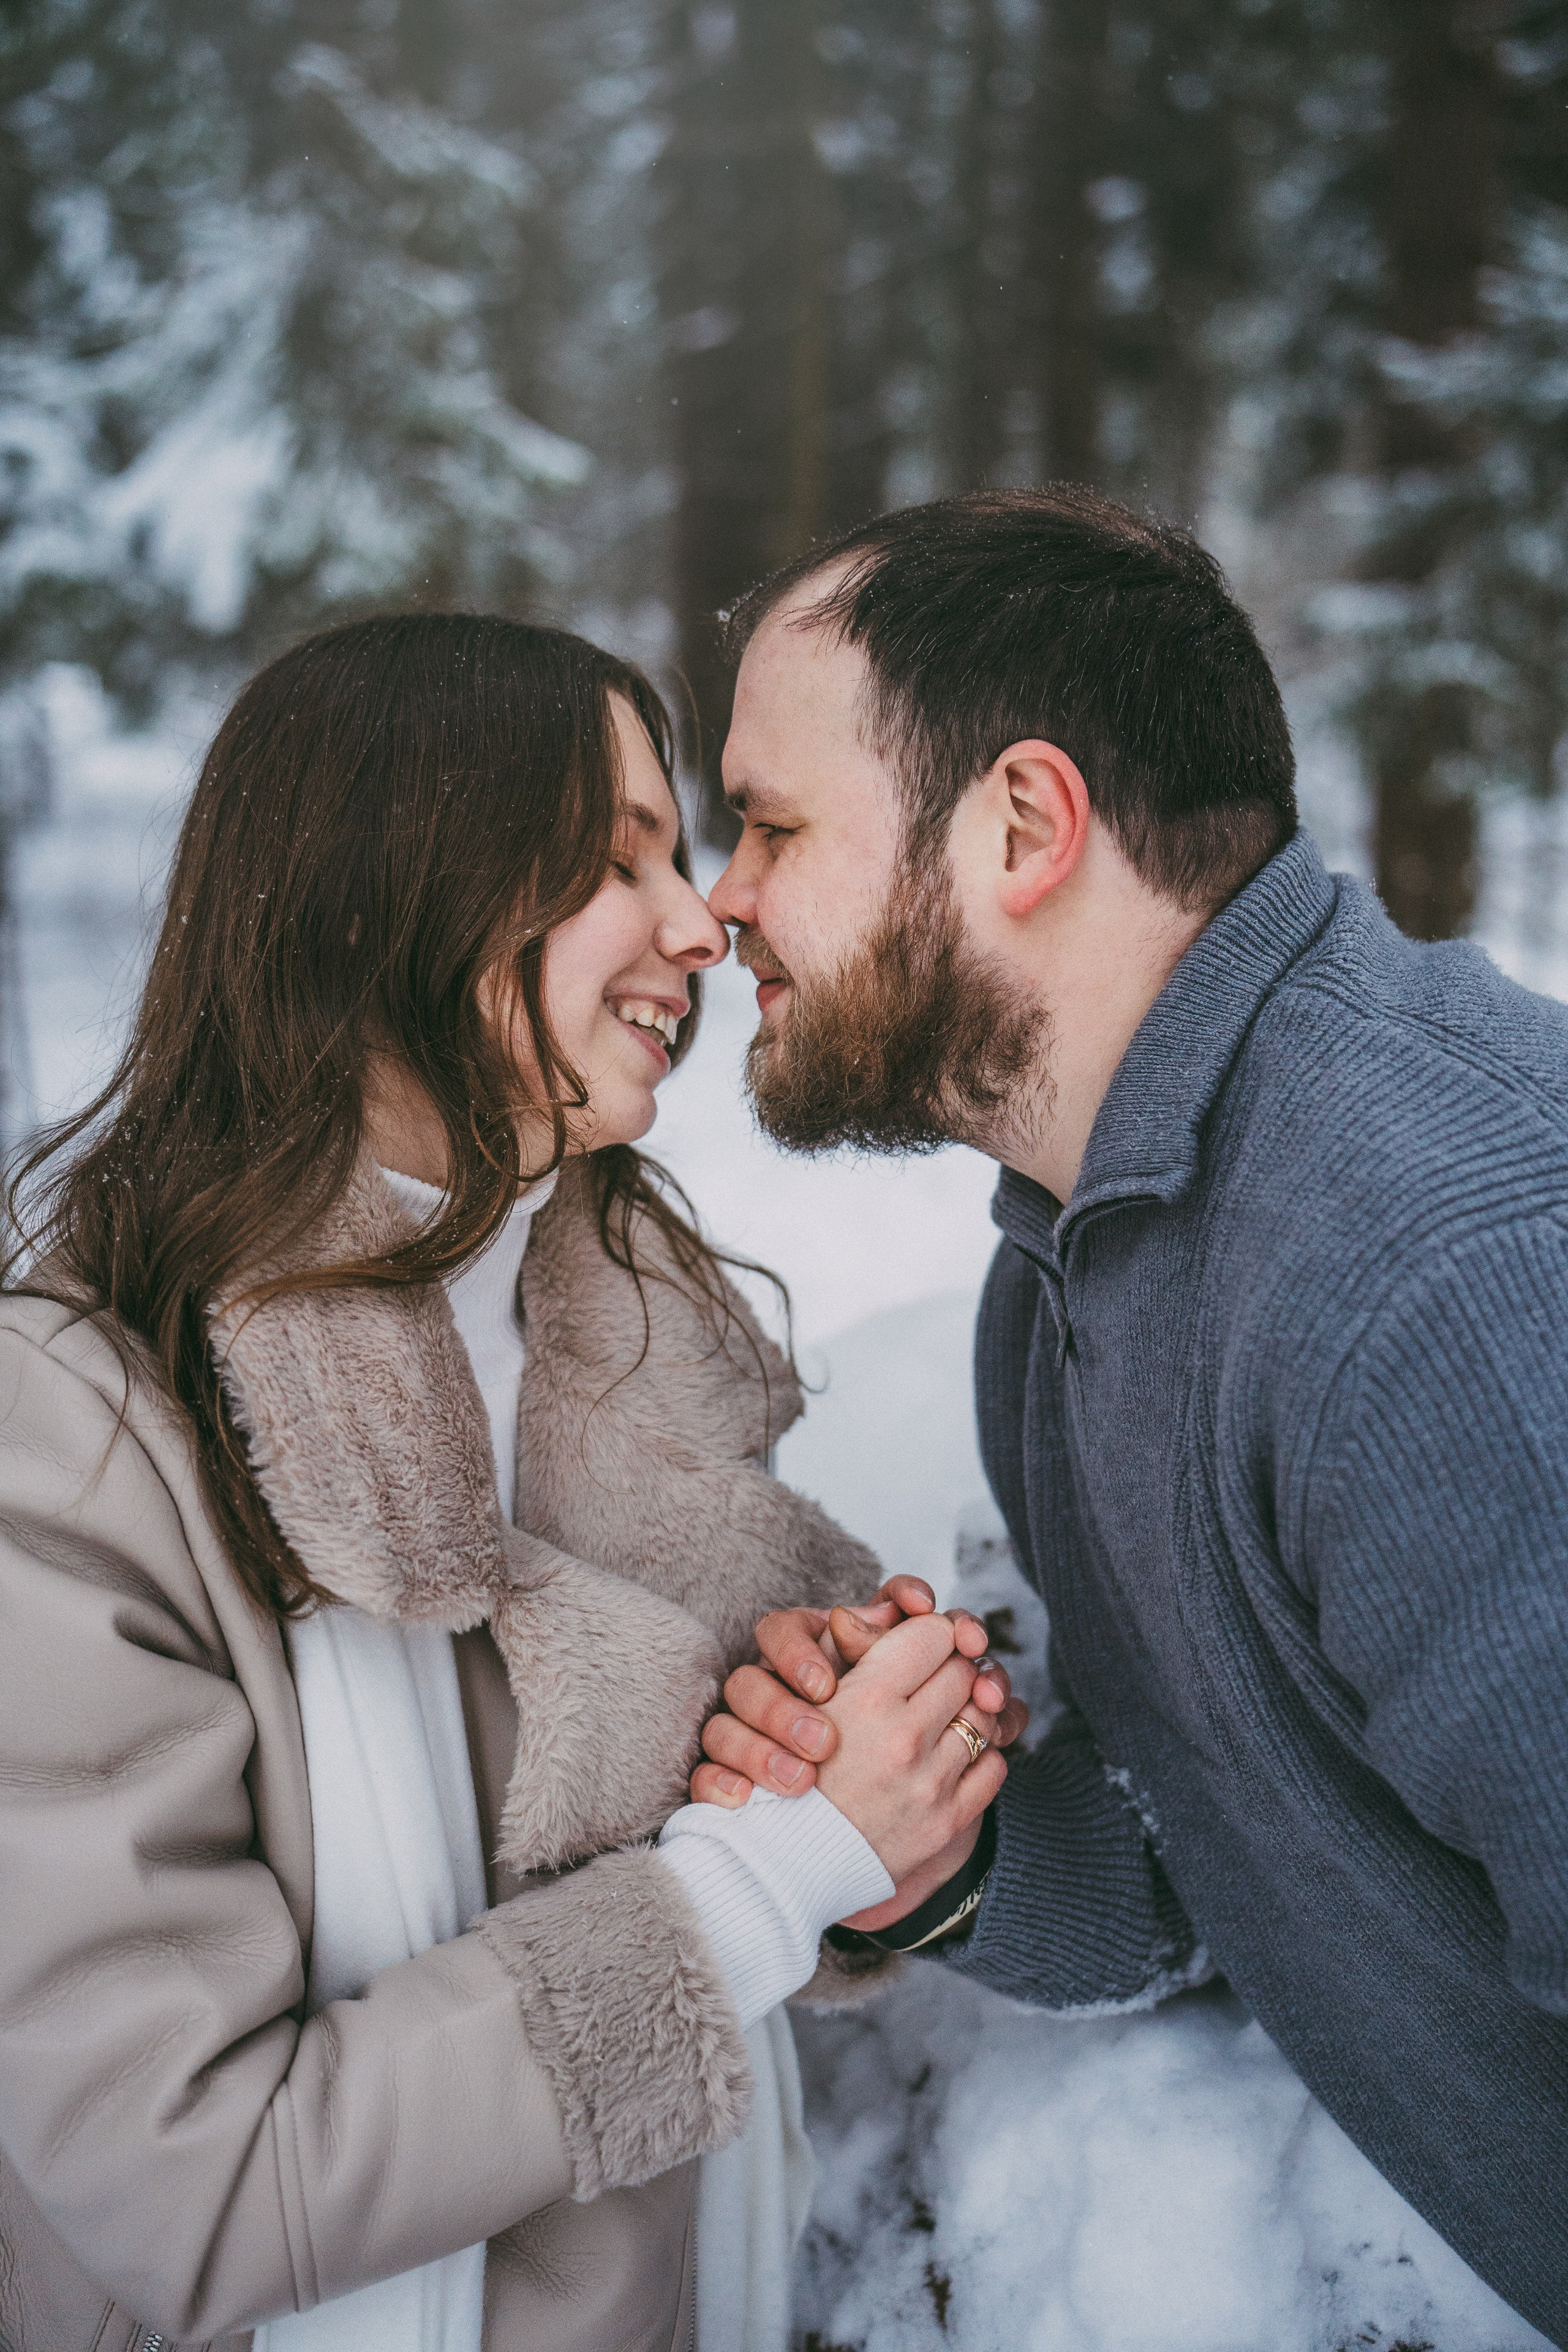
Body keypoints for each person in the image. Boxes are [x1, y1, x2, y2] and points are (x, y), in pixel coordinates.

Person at [0, 614, 1023, 2352]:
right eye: (621, 858)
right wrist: (757, 1876)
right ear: (392, 889)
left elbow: (747, 1823)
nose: (704, 924)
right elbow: (195, 2183)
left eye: (686, 855)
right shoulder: (81, 1438)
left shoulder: (632, 1348)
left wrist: (872, 1770)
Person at [693, 486, 1568, 2352]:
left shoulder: (1443, 1280)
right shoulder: (1073, 1280)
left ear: (1023, 823)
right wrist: (946, 1857)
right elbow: (1228, 1850)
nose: (724, 896)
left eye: (770, 823)